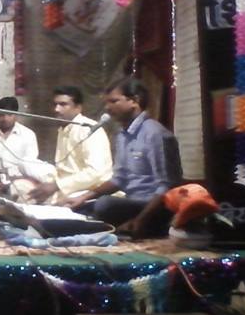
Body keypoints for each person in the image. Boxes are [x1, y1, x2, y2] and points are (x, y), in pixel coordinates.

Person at [70, 78, 182, 237]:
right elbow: (119, 179)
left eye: (113, 101)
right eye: (106, 102)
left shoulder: (155, 134)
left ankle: (138, 227)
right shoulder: (123, 135)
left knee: (104, 205)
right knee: (78, 207)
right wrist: (83, 197)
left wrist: (141, 220)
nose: (107, 108)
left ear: (134, 101)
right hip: (133, 203)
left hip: (153, 207)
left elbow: (167, 186)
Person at [29, 85, 113, 205]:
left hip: (91, 192)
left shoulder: (89, 129)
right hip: (67, 188)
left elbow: (95, 172)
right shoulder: (63, 128)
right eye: (55, 104)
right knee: (23, 187)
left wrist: (57, 185)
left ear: (78, 108)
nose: (56, 109)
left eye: (63, 104)